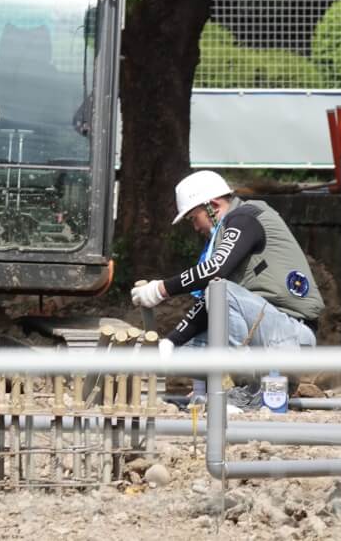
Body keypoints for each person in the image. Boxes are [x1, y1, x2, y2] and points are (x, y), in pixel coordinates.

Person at [131, 170, 323, 410]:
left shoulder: (245, 218)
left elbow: (215, 272)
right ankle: (250, 389)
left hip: (292, 334)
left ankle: (248, 392)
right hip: (267, 335)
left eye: (193, 217)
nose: (195, 227)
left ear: (212, 205)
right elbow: (214, 299)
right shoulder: (229, 236)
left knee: (219, 291)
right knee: (177, 355)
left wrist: (161, 289)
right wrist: (170, 342)